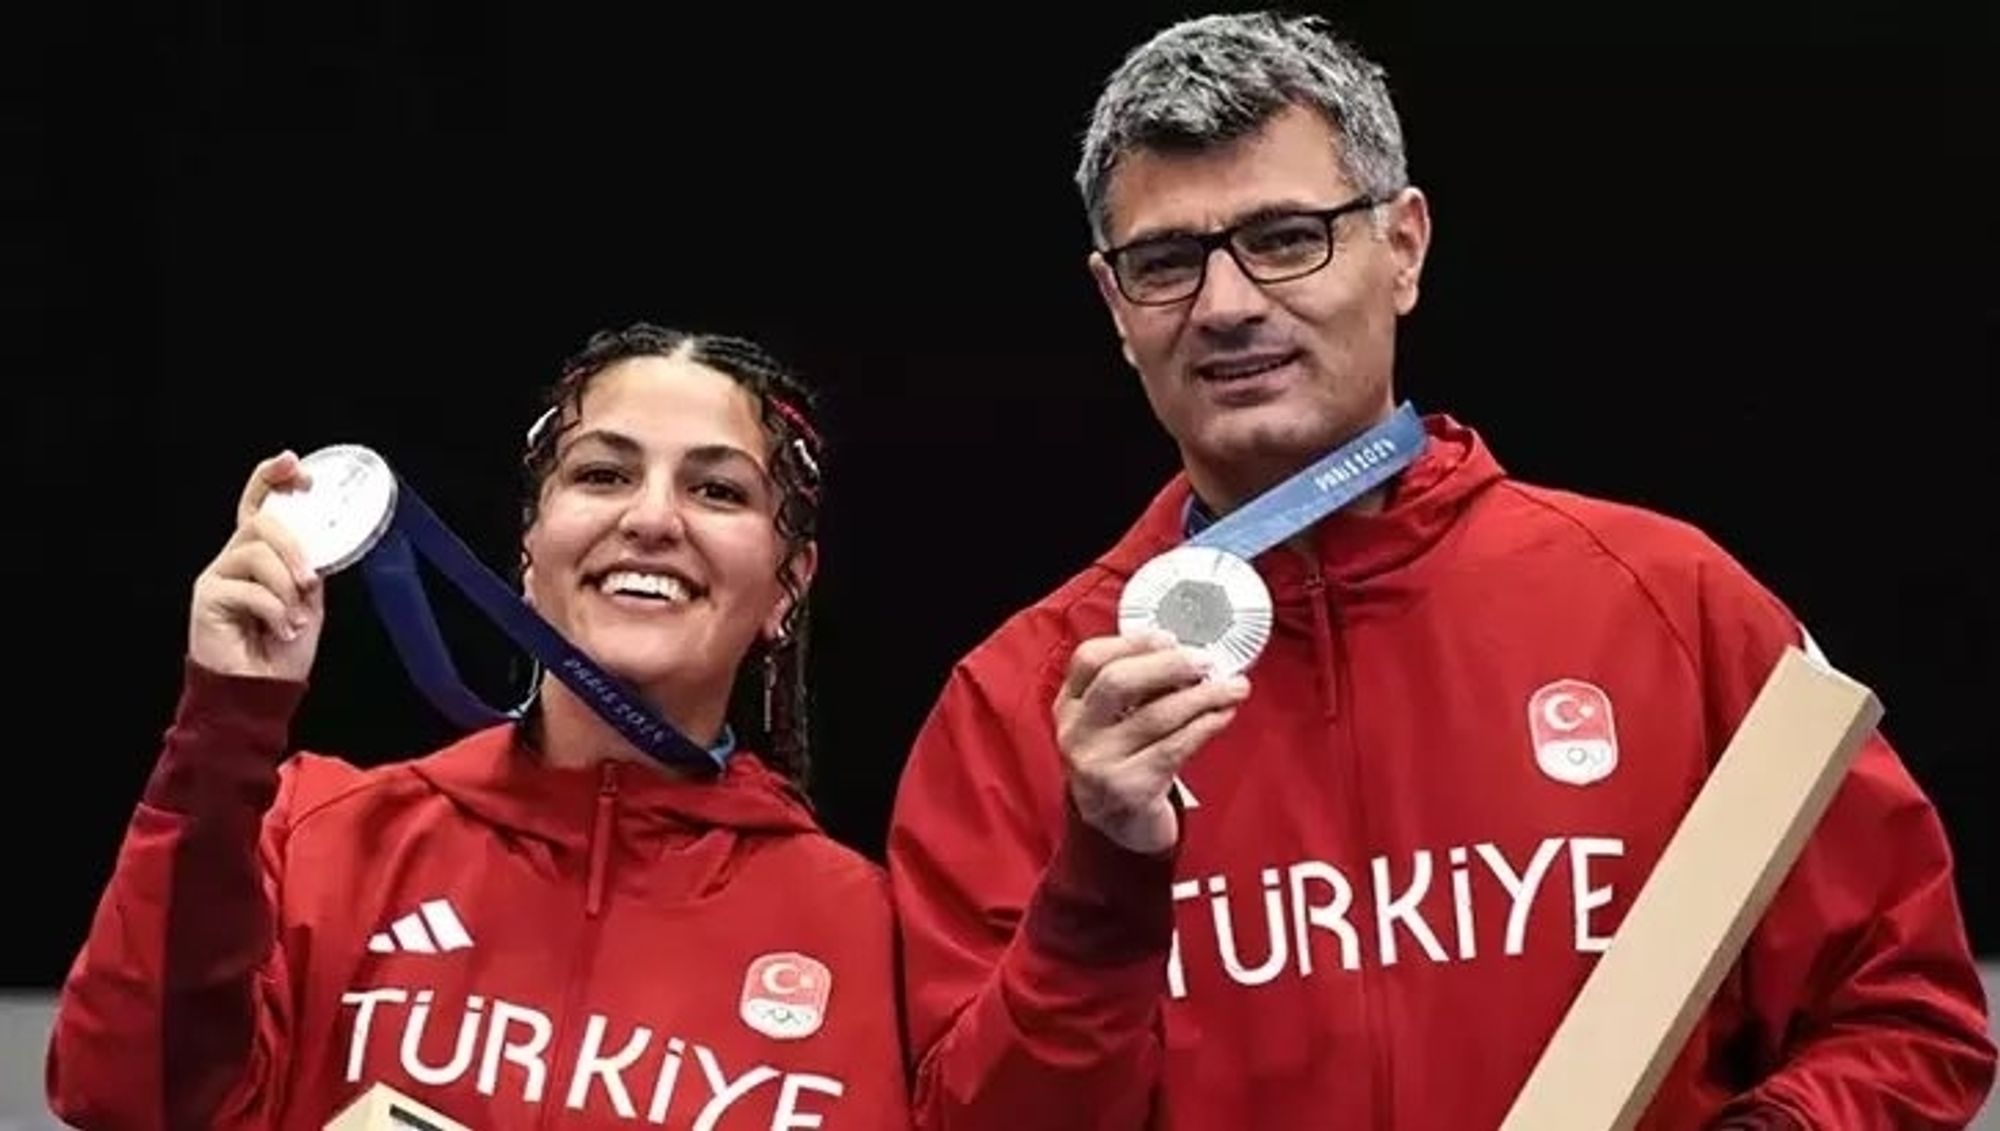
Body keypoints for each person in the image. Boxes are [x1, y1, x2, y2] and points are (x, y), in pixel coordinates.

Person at [885, 12, 1994, 1130]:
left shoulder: (1669, 602)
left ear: (1402, 247)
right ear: (1114, 308)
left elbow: (1904, 1018)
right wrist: (1096, 889)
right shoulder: (1015, 705)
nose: (1223, 306)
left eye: (1284, 237)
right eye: (1165, 263)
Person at [47, 323, 913, 1129]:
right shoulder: (321, 838)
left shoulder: (870, 936)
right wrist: (224, 724)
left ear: (788, 583)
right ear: (531, 548)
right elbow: (124, 1093)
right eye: (603, 474)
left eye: (717, 489)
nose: (651, 519)